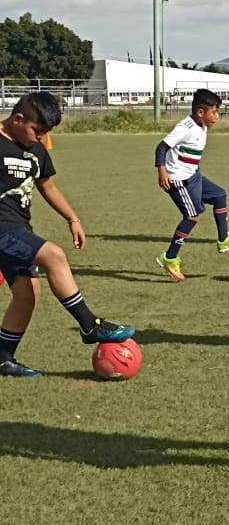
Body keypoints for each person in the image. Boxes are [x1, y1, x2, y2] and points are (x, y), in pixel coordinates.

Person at [0, 92, 134, 377]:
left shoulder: (35, 149)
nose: (41, 137)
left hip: (19, 228)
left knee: (27, 293)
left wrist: (72, 218)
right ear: (18, 119)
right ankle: (89, 324)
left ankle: (3, 359)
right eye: (38, 131)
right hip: (2, 228)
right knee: (54, 255)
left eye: (46, 133)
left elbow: (47, 186)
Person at [156, 89, 229, 281]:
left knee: (219, 195)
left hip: (194, 176)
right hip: (177, 180)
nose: (217, 116)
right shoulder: (185, 127)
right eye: (214, 112)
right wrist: (162, 171)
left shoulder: (202, 126)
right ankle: (170, 257)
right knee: (191, 216)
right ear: (201, 112)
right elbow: (161, 147)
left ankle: (224, 240)